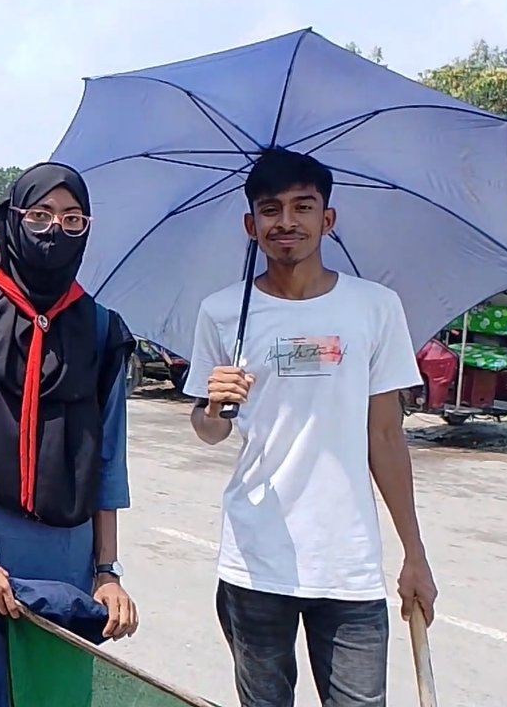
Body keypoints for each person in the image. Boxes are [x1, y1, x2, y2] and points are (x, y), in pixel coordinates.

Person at [183, 149, 435, 707]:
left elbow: (387, 437)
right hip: (255, 559)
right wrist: (214, 404)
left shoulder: (374, 307)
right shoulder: (224, 312)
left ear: (329, 218)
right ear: (251, 226)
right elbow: (209, 430)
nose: (287, 222)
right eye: (270, 210)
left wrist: (413, 553)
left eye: (304, 206)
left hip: (349, 564)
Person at [0, 162, 139, 706]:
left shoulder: (103, 331)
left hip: (66, 560)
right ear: (13, 222)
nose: (54, 231)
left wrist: (107, 573)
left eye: (71, 219)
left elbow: (107, 464)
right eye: (39, 215)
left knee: (50, 695)